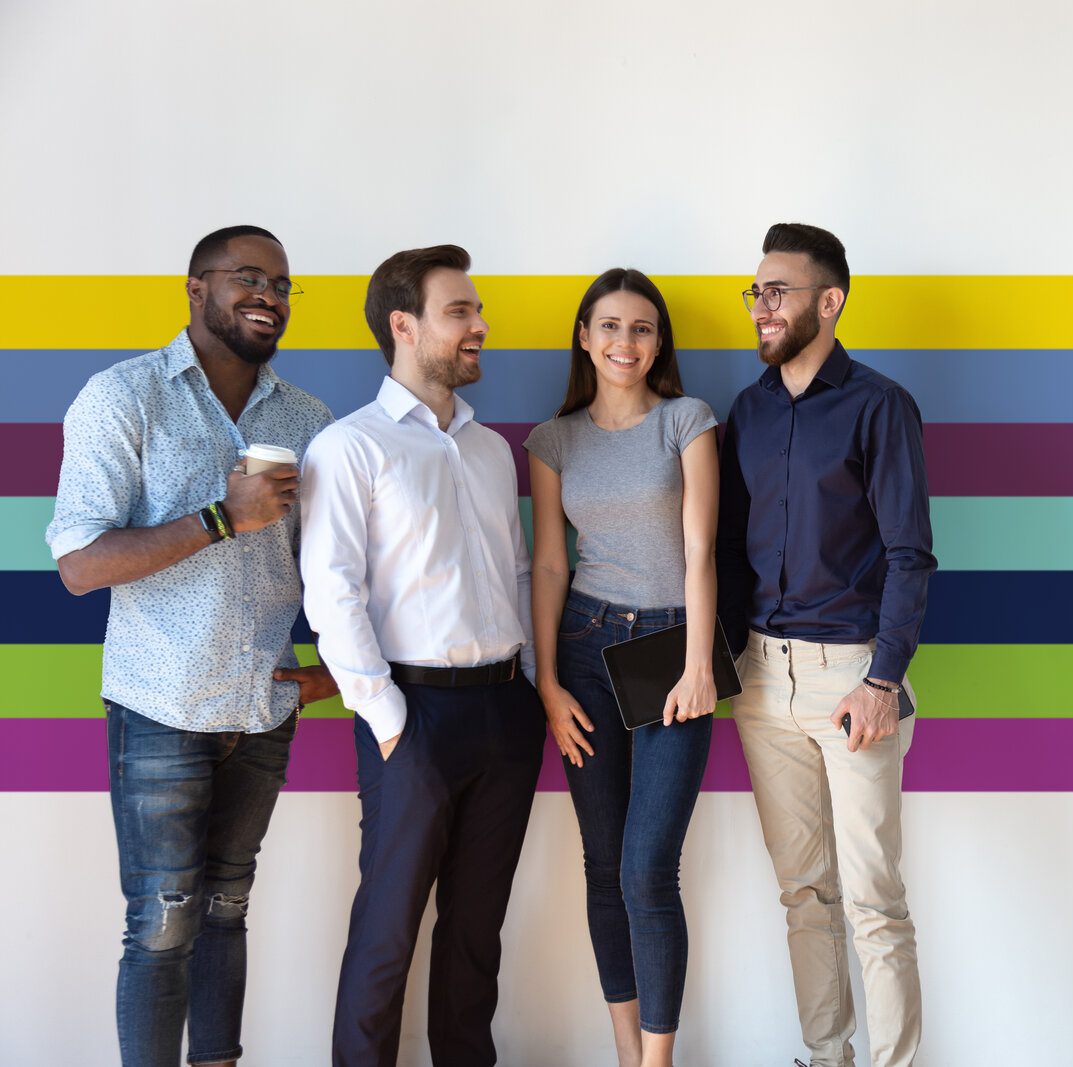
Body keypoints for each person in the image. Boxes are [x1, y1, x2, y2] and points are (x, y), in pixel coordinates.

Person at [46, 224, 336, 1067]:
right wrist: (222, 516)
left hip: (262, 707)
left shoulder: (308, 418)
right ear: (194, 288)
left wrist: (335, 675)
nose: (269, 296)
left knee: (225, 910)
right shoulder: (123, 396)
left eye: (282, 285)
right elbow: (79, 562)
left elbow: (334, 570)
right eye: (248, 277)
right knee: (163, 922)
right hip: (160, 708)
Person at [298, 245, 543, 1067]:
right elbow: (331, 592)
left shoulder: (491, 449)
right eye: (460, 311)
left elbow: (515, 569)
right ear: (404, 325)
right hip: (413, 716)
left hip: (506, 713)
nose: (480, 325)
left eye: (476, 310)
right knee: (387, 935)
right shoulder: (348, 448)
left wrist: (534, 687)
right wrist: (388, 716)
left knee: (477, 937)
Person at [717, 223, 936, 1067]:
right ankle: (825, 1055)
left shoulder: (879, 404)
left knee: (874, 901)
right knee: (805, 893)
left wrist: (884, 680)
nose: (762, 307)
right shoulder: (750, 409)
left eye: (778, 291)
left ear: (829, 301)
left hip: (854, 680)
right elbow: (731, 551)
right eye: (757, 292)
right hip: (762, 681)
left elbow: (911, 553)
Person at [526, 268, 720, 1067]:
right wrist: (546, 682)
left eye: (642, 328)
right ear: (584, 336)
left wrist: (700, 662)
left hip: (674, 643)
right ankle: (624, 1052)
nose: (625, 342)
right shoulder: (554, 439)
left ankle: (658, 1059)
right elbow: (546, 565)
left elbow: (702, 548)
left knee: (648, 867)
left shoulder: (688, 420)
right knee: (603, 864)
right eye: (609, 326)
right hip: (584, 646)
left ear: (659, 340)